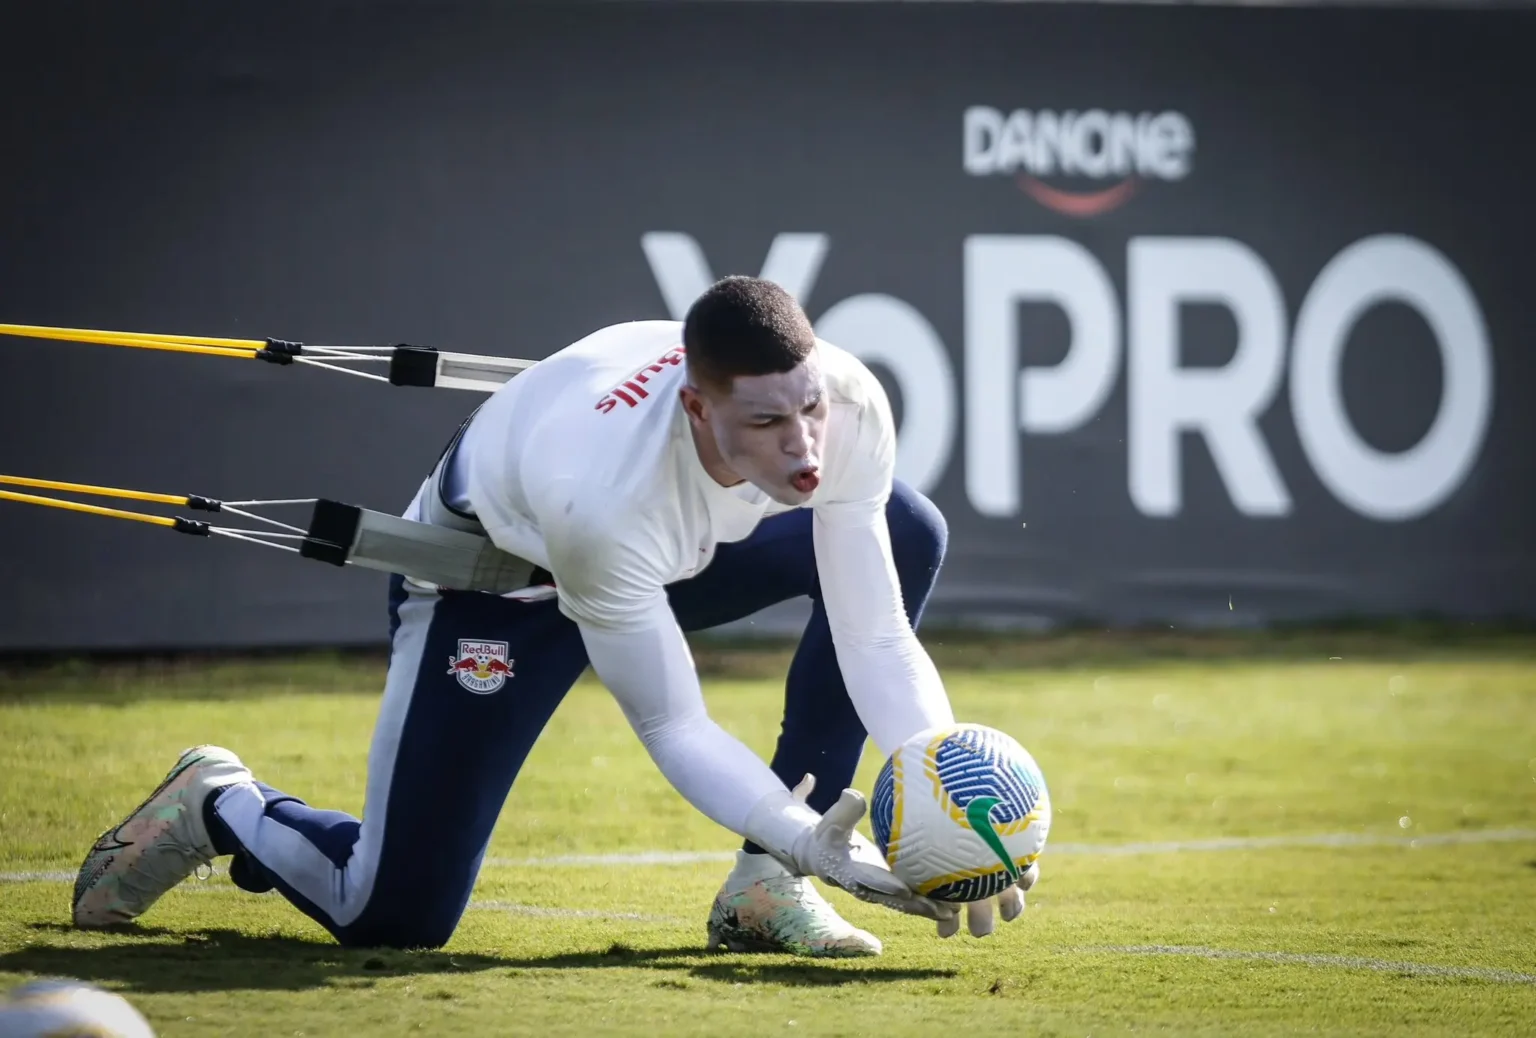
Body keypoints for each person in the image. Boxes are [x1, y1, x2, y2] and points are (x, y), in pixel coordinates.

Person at [70, 276, 1039, 957]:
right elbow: (675, 722)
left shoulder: (848, 403)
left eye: (809, 410)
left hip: (674, 557)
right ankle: (218, 801)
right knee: (392, 914)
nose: (807, 450)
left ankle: (763, 891)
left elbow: (873, 631)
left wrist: (947, 780)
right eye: (769, 425)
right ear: (698, 410)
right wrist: (808, 831)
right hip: (501, 584)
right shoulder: (601, 494)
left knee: (903, 524)